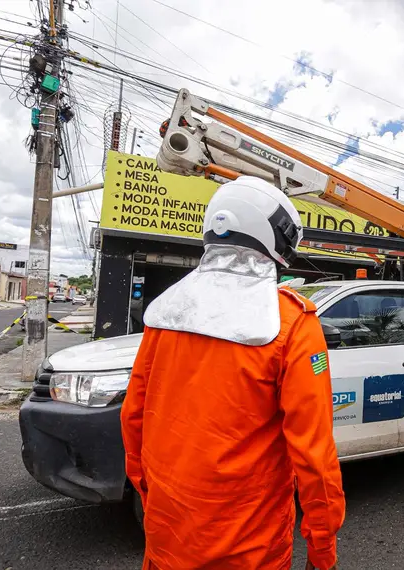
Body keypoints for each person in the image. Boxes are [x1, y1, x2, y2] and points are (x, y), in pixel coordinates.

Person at [121, 176, 345, 570]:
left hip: (166, 539)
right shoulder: (291, 323)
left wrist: (151, 498)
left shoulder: (165, 314)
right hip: (248, 549)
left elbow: (134, 418)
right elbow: (314, 455)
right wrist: (322, 548)